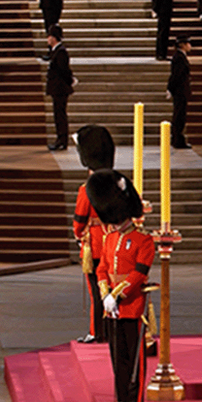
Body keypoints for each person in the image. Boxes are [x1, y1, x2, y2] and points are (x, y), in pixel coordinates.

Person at [89, 169, 155, 402]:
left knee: (134, 358)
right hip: (112, 308)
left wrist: (116, 295)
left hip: (132, 305)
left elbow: (138, 275)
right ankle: (120, 400)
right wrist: (105, 295)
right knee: (117, 358)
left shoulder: (143, 240)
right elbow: (103, 269)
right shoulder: (109, 239)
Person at [74, 126, 115, 344]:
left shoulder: (86, 188)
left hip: (95, 244)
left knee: (96, 290)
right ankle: (110, 329)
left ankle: (96, 330)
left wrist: (79, 235)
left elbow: (79, 221)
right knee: (111, 286)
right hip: (114, 241)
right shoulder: (117, 183)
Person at [45, 25, 73, 151]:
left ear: (54, 38)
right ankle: (60, 139)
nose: (47, 39)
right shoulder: (56, 51)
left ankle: (62, 140)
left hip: (60, 89)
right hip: (57, 88)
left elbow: (64, 71)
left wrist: (69, 81)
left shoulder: (61, 52)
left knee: (60, 115)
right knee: (58, 114)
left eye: (49, 36)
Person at [167, 36, 192, 149]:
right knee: (179, 116)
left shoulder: (180, 57)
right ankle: (177, 140)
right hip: (179, 91)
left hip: (181, 90)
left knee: (180, 115)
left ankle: (177, 139)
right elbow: (176, 75)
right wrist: (170, 88)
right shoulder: (179, 58)